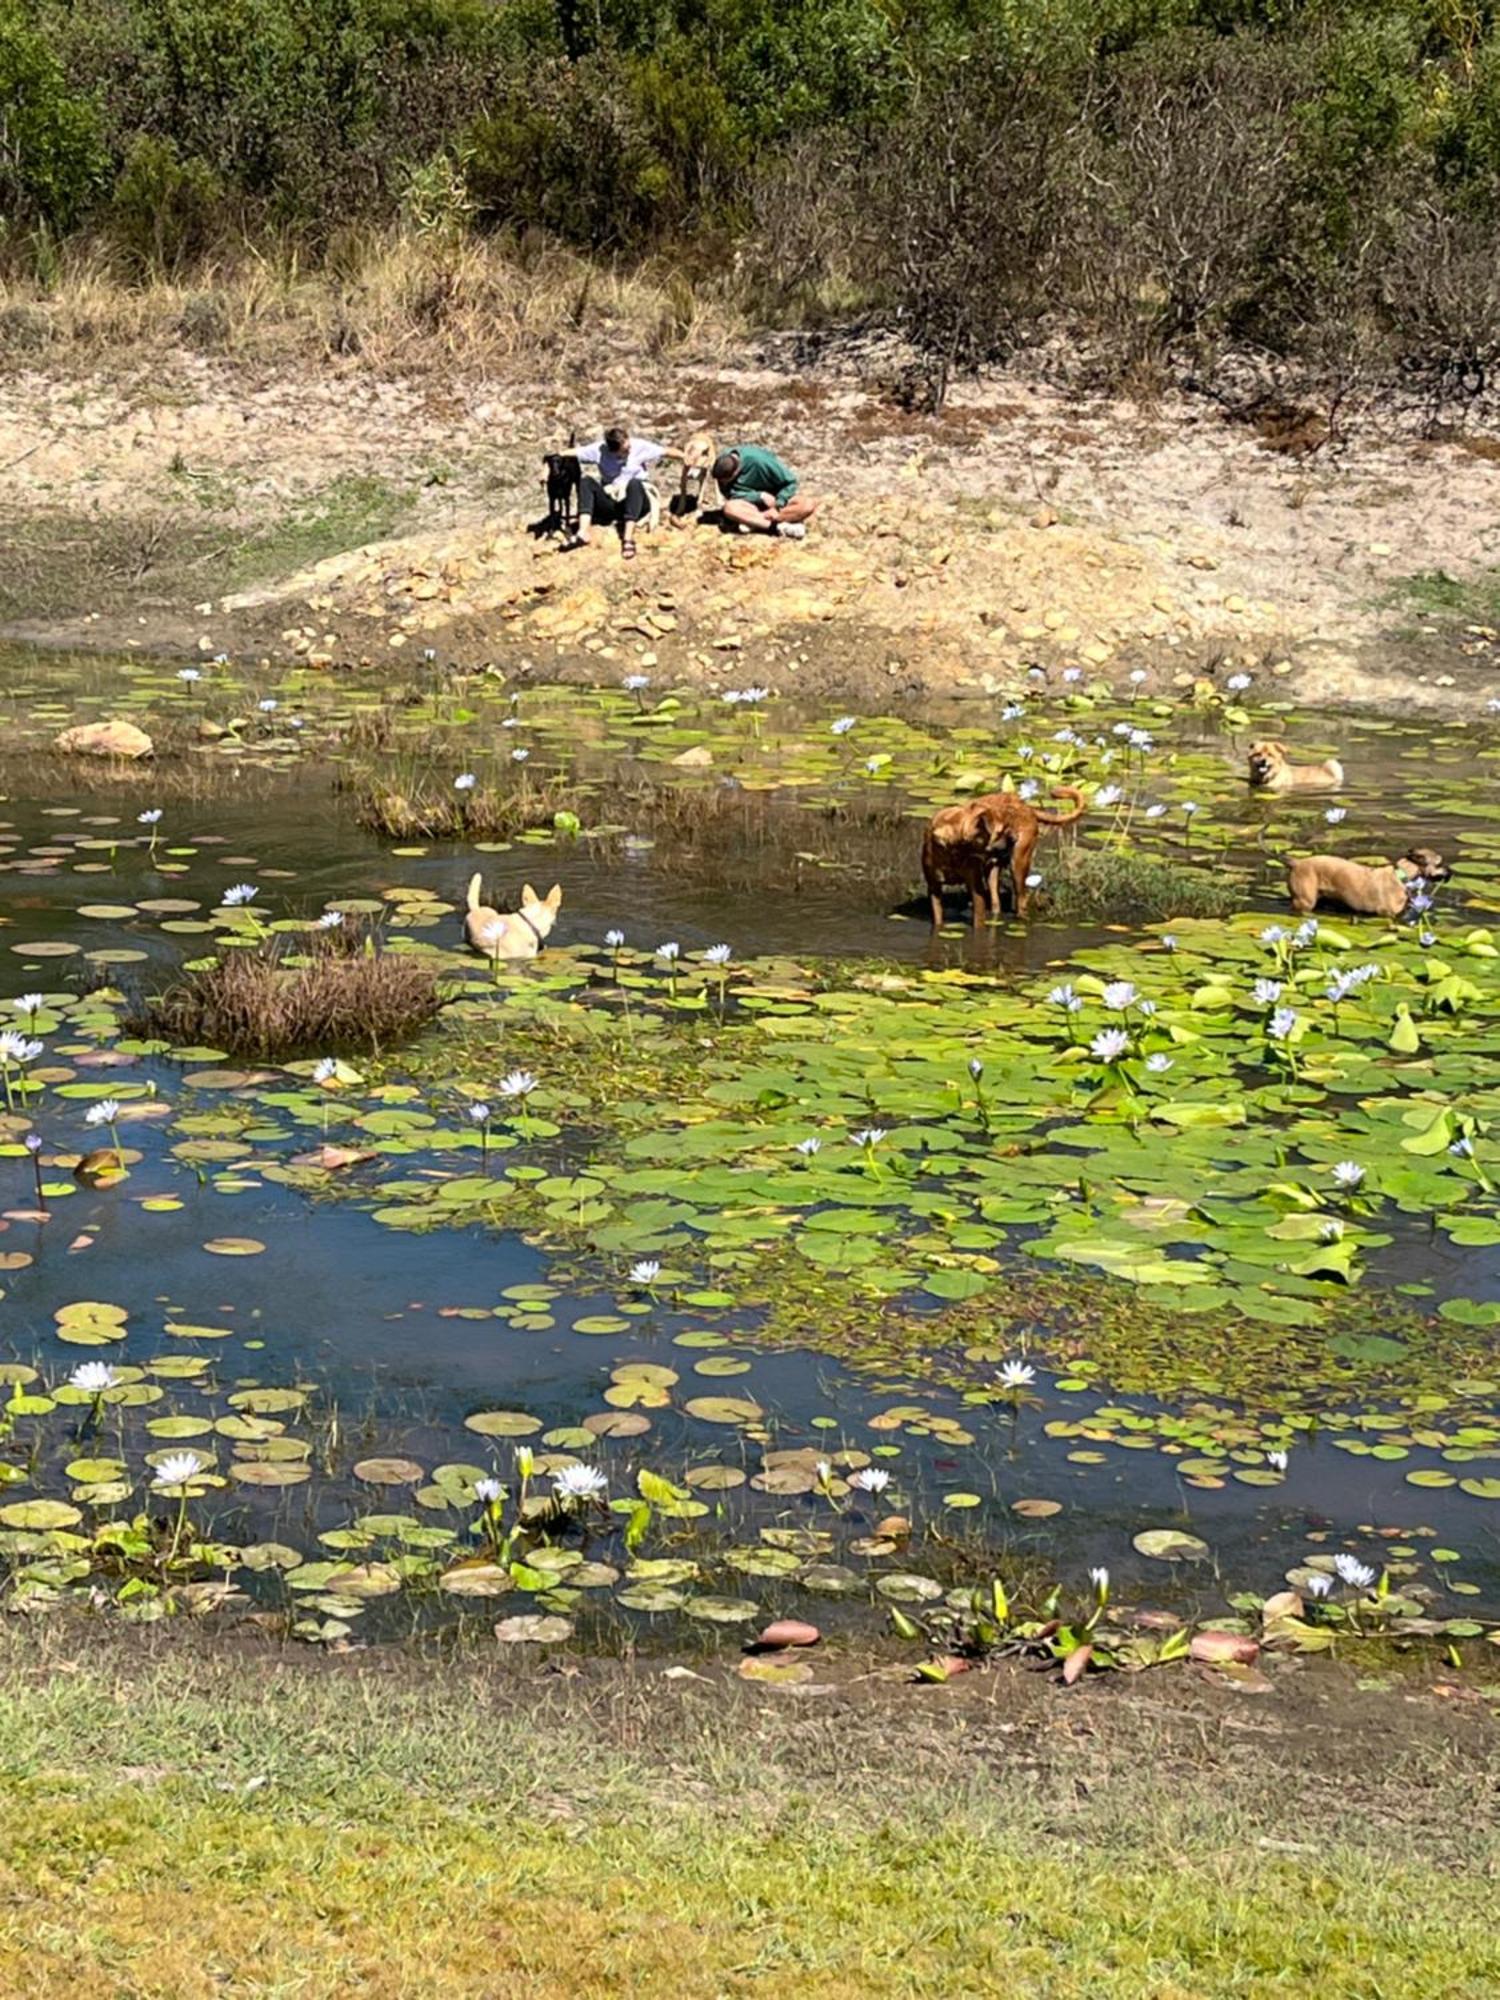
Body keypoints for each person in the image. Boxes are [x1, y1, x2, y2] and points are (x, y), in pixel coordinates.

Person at [566, 425, 676, 559]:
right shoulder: (600, 450)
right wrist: (549, 462)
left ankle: (628, 538)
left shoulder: (639, 447)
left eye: (629, 446)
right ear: (613, 451)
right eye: (625, 450)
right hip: (613, 498)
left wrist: (688, 457)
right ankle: (583, 532)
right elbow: (573, 452)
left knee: (634, 483)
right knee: (586, 481)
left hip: (637, 500)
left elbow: (666, 451)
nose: (629, 451)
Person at [711, 445, 818, 538]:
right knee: (730, 508)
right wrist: (759, 496)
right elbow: (731, 495)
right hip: (751, 505)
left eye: (725, 481)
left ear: (736, 472)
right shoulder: (722, 466)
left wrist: (778, 505)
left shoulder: (759, 460)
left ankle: (755, 522)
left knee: (807, 505)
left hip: (779, 502)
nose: (722, 484)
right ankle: (777, 527)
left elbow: (790, 482)